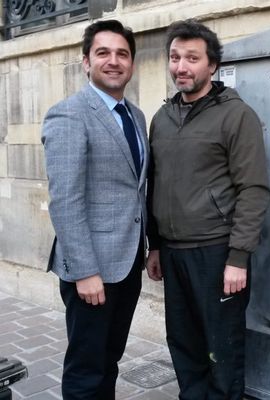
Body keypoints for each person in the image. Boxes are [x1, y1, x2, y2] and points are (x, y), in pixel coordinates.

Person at [145, 19, 270, 399]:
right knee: (184, 345)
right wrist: (154, 245)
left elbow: (254, 189)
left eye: (192, 58)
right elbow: (155, 185)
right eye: (175, 57)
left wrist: (238, 257)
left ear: (212, 65)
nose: (181, 67)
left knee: (222, 348)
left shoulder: (236, 115)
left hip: (217, 254)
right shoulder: (161, 119)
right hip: (173, 253)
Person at [41, 20, 148, 399]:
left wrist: (148, 247)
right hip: (92, 271)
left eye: (122, 54)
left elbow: (135, 191)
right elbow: (66, 200)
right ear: (86, 62)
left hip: (127, 261)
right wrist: (85, 271)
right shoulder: (69, 114)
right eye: (103, 53)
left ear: (132, 63)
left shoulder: (135, 116)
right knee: (87, 367)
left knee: (109, 359)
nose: (114, 61)